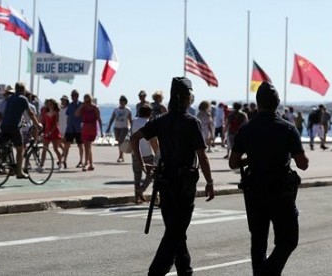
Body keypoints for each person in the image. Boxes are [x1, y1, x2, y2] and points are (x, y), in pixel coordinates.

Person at [131, 77, 215, 276]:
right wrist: (210, 182)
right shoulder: (191, 122)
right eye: (189, 95)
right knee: (175, 232)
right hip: (183, 184)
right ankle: (156, 271)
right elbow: (202, 156)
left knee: (176, 231)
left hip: (165, 182)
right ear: (185, 98)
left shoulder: (161, 120)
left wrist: (143, 164)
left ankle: (185, 270)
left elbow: (135, 138)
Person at [229, 81, 309, 276]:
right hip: (280, 191)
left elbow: (233, 162)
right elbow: (302, 164)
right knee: (288, 240)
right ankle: (268, 272)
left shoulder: (247, 128)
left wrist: (254, 157)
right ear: (278, 103)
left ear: (258, 103)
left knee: (258, 241)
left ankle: (262, 273)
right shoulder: (287, 128)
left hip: (255, 190)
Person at [0, 82, 42, 179]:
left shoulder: (9, 99)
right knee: (20, 149)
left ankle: (5, 162)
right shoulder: (23, 99)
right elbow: (30, 113)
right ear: (23, 89)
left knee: (7, 145)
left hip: (4, 125)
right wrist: (37, 124)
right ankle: (19, 172)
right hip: (14, 126)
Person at [131, 104, 155, 204]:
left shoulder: (134, 121)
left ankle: (137, 198)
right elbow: (153, 139)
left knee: (137, 176)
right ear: (149, 113)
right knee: (151, 174)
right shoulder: (150, 123)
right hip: (147, 153)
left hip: (135, 152)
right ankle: (141, 189)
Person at [76, 94, 102, 171]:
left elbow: (99, 119)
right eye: (86, 101)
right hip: (85, 128)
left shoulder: (95, 108)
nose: (87, 103)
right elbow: (76, 114)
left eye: (89, 101)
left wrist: (101, 130)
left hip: (92, 128)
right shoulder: (83, 108)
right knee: (87, 146)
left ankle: (86, 163)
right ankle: (91, 164)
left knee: (88, 146)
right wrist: (81, 106)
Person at [106, 95, 132, 163]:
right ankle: (122, 154)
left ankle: (120, 156)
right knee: (118, 140)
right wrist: (109, 127)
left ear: (125, 102)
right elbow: (112, 118)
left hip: (124, 127)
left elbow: (130, 120)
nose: (121, 102)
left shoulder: (128, 110)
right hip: (116, 127)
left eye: (123, 101)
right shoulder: (116, 109)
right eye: (120, 100)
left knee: (120, 140)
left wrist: (132, 128)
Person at [62, 90, 84, 169]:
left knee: (80, 145)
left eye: (74, 95)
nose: (72, 97)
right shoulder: (70, 105)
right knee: (67, 144)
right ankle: (64, 160)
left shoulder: (81, 105)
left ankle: (81, 161)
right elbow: (68, 116)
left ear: (77, 96)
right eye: (72, 95)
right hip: (70, 128)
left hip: (78, 128)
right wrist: (67, 127)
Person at [41, 98, 63, 170]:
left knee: (55, 149)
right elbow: (44, 122)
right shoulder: (46, 112)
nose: (49, 105)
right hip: (47, 131)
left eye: (51, 104)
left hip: (54, 131)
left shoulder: (56, 113)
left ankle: (60, 163)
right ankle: (42, 164)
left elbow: (55, 123)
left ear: (54, 105)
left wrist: (51, 131)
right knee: (44, 148)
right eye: (48, 104)